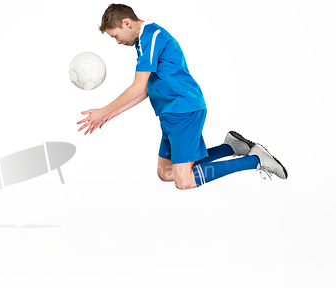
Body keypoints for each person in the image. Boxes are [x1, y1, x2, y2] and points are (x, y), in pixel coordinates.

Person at [77, 3, 287, 189]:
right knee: (166, 172)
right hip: (170, 113)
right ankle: (231, 147)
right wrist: (110, 115)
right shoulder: (143, 41)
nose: (117, 42)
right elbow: (146, 90)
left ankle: (254, 160)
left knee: (183, 180)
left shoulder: (151, 36)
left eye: (115, 36)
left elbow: (137, 87)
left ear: (126, 23)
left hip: (182, 110)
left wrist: (103, 110)